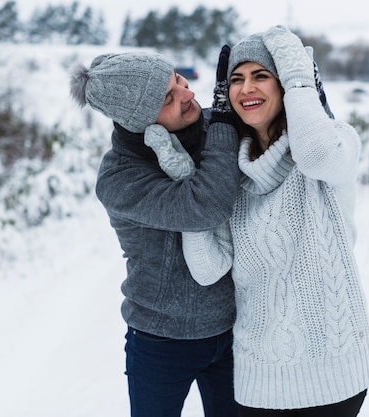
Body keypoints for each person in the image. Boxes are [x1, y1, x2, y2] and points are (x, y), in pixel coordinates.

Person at [148, 26, 369, 417]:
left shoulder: (337, 143)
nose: (245, 89)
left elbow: (315, 155)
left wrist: (298, 71)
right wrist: (188, 181)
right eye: (236, 79)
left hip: (333, 376)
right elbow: (207, 268)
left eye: (261, 75)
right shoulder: (229, 178)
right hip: (260, 382)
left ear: (287, 81)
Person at [69, 48, 241, 417]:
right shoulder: (119, 179)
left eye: (179, 80)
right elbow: (205, 205)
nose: (189, 94)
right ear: (138, 120)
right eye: (169, 97)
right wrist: (225, 128)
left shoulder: (215, 126)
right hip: (160, 343)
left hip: (234, 330)